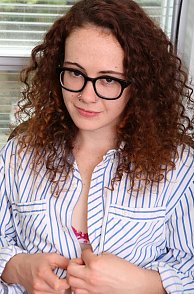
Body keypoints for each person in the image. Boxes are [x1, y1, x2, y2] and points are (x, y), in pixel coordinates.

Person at [0, 0, 193, 293]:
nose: (87, 96)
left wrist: (145, 284)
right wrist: (16, 267)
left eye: (108, 80)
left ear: (140, 83)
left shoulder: (180, 168)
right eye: (75, 73)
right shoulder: (17, 155)